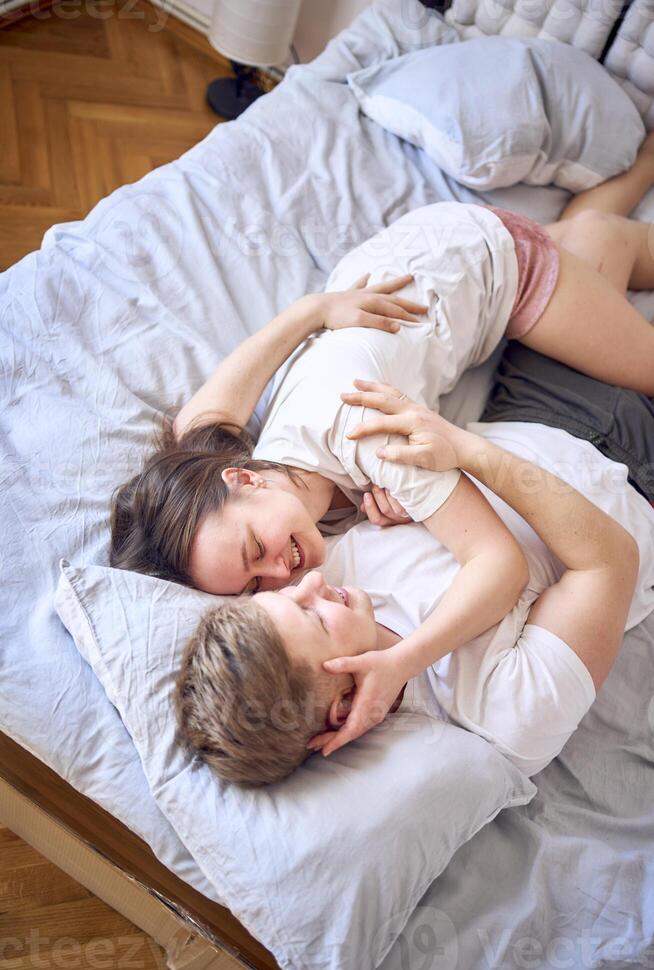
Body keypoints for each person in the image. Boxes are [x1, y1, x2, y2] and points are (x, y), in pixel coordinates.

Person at [113, 134, 654, 730]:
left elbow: (498, 565)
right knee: (593, 242)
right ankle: (632, 179)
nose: (283, 575)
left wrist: (400, 660)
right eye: (251, 586)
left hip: (485, 261)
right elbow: (196, 428)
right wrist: (309, 315)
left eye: (254, 553)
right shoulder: (242, 476)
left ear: (243, 478)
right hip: (397, 275)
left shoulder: (369, 436)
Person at [173, 364, 654, 787]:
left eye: (283, 597)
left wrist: (414, 508)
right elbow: (610, 561)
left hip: (518, 409)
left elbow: (197, 444)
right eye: (314, 618)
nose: (312, 585)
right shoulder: (504, 715)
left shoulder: (319, 578)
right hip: (629, 461)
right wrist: (466, 452)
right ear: (341, 707)